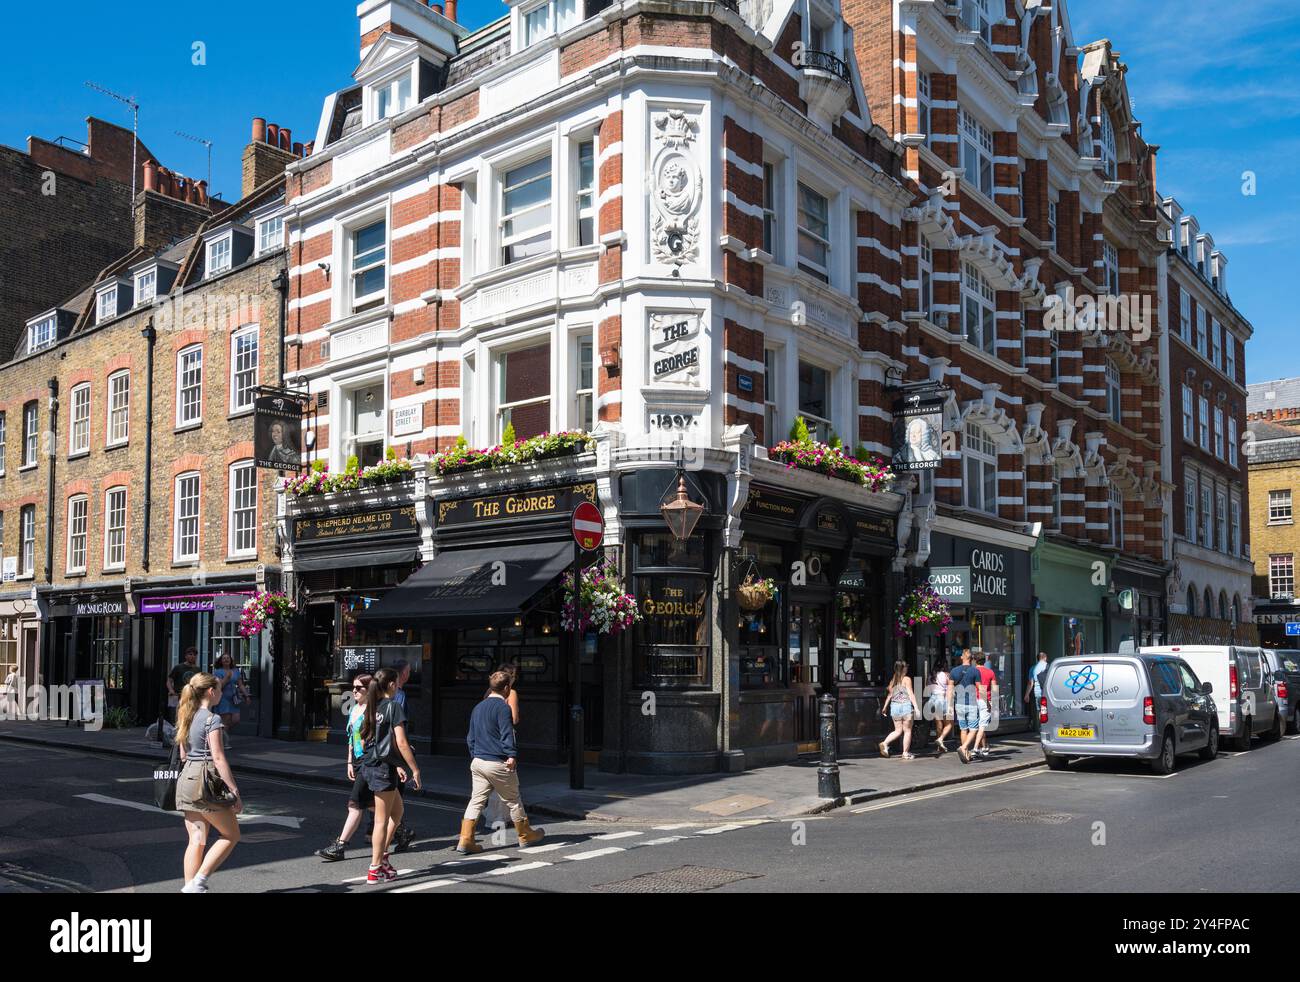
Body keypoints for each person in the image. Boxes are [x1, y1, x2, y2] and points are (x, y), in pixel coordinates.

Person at [455, 671, 544, 854]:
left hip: (478, 761)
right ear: (506, 688)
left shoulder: (478, 707)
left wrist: (475, 755)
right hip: (497, 762)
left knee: (476, 801)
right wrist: (511, 755)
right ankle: (525, 835)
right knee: (513, 800)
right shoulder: (503, 707)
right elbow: (506, 733)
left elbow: (470, 737)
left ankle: (465, 840)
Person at [174, 672, 242, 893]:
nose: (221, 693)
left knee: (197, 839)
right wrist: (233, 791)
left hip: (186, 781)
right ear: (212, 692)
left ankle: (189, 889)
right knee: (231, 835)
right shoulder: (213, 719)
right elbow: (219, 758)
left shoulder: (186, 715)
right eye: (220, 690)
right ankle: (198, 882)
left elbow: (184, 755)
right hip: (205, 783)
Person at [316, 674, 393, 862]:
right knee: (373, 804)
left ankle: (340, 846)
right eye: (354, 688)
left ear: (370, 690)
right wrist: (349, 761)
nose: (355, 691)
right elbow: (351, 738)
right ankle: (400, 831)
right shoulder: (355, 709)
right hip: (358, 761)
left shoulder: (375, 711)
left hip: (370, 762)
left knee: (355, 804)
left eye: (359, 688)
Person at [359, 668, 421, 884]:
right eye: (396, 683)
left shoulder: (372, 706)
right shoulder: (393, 706)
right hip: (382, 769)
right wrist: (414, 768)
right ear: (393, 684)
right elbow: (402, 742)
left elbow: (364, 738)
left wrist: (396, 765)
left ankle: (383, 859)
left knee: (398, 811)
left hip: (373, 765)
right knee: (381, 821)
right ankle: (374, 869)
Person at [481, 664, 520, 833]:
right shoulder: (511, 693)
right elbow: (514, 718)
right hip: (504, 736)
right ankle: (502, 818)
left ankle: (496, 816)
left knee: (491, 782)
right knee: (507, 778)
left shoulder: (488, 693)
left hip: (488, 737)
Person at [387, 660, 416, 853]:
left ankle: (395, 833)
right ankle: (381, 854)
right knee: (394, 796)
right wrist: (408, 763)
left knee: (383, 798)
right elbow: (400, 729)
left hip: (373, 757)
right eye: (408, 672)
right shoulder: (400, 697)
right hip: (392, 753)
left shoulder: (372, 702)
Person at [878, 660, 920, 759]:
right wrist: (916, 707)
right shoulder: (907, 679)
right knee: (907, 730)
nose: (907, 668)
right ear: (902, 668)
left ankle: (885, 743)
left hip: (895, 707)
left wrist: (884, 708)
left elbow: (890, 695)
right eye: (906, 666)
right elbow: (910, 694)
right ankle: (905, 753)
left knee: (897, 731)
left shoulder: (893, 680)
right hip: (905, 706)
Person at [948, 649, 983, 764]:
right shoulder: (975, 671)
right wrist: (987, 701)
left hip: (959, 704)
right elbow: (980, 688)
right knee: (974, 729)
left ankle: (966, 754)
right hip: (971, 704)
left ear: (962, 657)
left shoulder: (954, 671)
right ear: (971, 659)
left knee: (963, 729)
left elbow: (950, 689)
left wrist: (949, 704)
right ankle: (964, 748)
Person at [212, 651, 249, 734]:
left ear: (231, 660)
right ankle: (224, 741)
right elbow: (220, 686)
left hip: (234, 699)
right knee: (226, 720)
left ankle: (221, 732)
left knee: (236, 719)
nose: (226, 660)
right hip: (223, 698)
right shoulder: (217, 672)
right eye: (224, 658)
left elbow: (240, 685)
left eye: (227, 658)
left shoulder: (235, 671)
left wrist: (246, 696)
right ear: (221, 661)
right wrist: (227, 677)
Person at [973, 651, 998, 757]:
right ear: (985, 660)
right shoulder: (990, 672)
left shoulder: (972, 671)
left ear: (975, 660)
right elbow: (994, 689)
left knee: (975, 726)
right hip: (985, 701)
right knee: (982, 726)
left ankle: (982, 747)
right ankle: (976, 748)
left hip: (973, 701)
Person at [166, 648, 199, 726]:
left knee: (190, 717)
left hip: (192, 697)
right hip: (178, 696)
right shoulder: (178, 667)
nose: (192, 656)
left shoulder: (197, 669)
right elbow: (169, 681)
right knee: (177, 717)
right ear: (186, 656)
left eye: (194, 655)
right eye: (190, 654)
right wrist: (171, 690)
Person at [928, 657, 953, 754]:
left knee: (939, 724)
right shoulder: (947, 675)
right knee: (949, 724)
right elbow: (950, 688)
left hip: (933, 699)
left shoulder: (932, 675)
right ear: (945, 665)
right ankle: (941, 740)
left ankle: (939, 746)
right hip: (942, 699)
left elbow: (927, 687)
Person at [1026, 652, 1049, 730]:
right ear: (1045, 658)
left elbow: (1030, 683)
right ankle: (1047, 728)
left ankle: (1042, 727)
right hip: (1046, 693)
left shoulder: (1033, 668)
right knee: (1047, 711)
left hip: (1038, 693)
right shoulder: (1048, 666)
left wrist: (1027, 694)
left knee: (1040, 711)